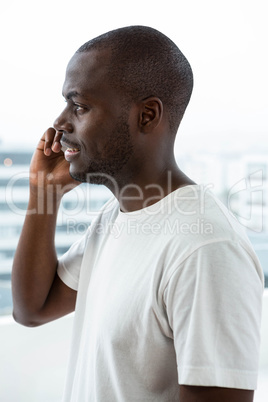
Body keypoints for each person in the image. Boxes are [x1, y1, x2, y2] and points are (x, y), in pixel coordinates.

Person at [12, 26, 263, 402]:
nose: (60, 122)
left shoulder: (206, 248)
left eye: (79, 106)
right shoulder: (115, 219)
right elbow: (33, 308)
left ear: (147, 115)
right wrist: (43, 194)